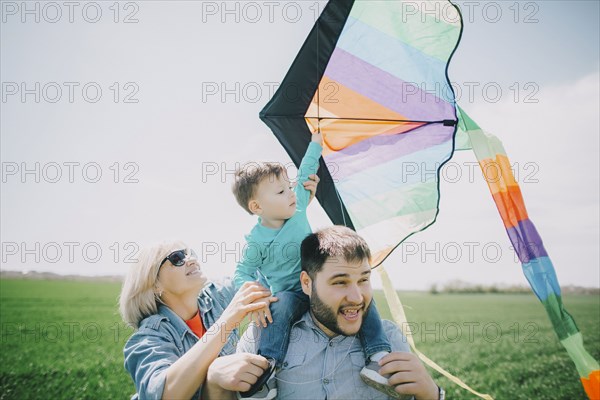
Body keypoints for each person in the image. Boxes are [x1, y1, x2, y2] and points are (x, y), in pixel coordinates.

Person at [231, 134, 393, 398]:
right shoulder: (255, 242)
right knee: (278, 306)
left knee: (362, 299)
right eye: (281, 191)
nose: (291, 193)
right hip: (292, 293)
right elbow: (242, 273)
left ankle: (378, 355)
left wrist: (316, 142)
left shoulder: (297, 208)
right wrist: (257, 297)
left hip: (321, 287)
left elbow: (306, 169)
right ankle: (267, 368)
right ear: (257, 206)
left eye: (290, 186)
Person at [236, 226, 443, 400]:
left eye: (363, 280)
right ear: (307, 283)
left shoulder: (389, 340)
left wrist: (431, 394)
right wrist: (215, 384)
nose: (357, 297)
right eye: (340, 282)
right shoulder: (263, 336)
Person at [119, 241, 276, 400]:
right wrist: (228, 319)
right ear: (154, 284)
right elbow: (165, 394)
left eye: (190, 253)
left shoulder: (216, 296)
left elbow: (269, 277)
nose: (191, 260)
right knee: (216, 371)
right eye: (177, 258)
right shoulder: (149, 337)